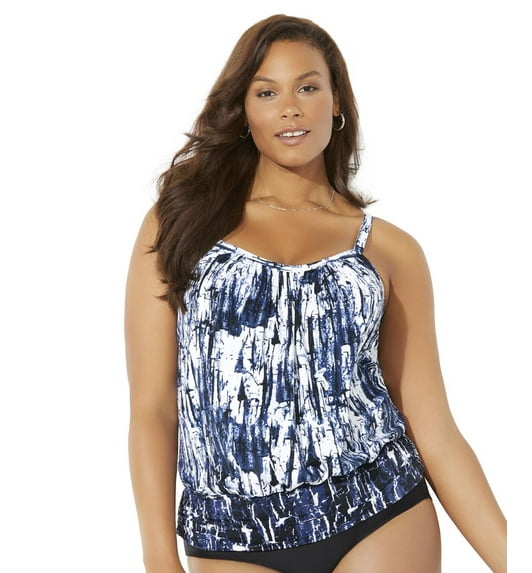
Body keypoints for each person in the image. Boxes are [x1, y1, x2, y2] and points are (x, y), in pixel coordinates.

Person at [125, 14, 506, 573]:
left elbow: (435, 430)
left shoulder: (390, 251)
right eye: (267, 92)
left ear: (336, 102)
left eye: (307, 88)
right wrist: (160, 557)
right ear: (244, 111)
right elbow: (153, 406)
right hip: (231, 534)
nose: (290, 108)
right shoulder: (180, 224)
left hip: (379, 511)